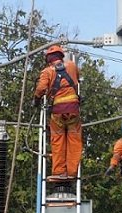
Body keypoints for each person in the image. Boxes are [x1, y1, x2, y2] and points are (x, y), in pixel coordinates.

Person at [33, 45, 82, 183]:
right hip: (73, 110)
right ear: (61, 56)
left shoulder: (47, 71)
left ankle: (60, 171)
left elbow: (41, 88)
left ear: (49, 59)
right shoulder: (72, 66)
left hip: (58, 112)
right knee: (74, 140)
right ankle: (72, 172)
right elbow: (78, 78)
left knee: (58, 141)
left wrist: (36, 99)